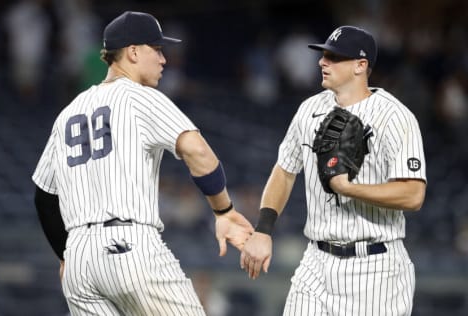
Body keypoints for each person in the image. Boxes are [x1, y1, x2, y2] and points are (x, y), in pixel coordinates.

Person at [32, 11, 253, 316]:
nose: (164, 59)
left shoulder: (67, 114)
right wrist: (224, 211)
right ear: (133, 52)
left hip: (79, 262)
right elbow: (198, 153)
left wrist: (66, 256)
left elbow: (44, 196)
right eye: (157, 49)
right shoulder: (140, 97)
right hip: (129, 245)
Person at [241, 25, 427, 316]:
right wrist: (263, 230)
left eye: (334, 57)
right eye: (324, 55)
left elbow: (414, 194)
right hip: (316, 262)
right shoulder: (309, 109)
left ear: (360, 66)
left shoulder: (396, 117)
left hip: (375, 268)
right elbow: (285, 171)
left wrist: (348, 188)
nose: (322, 62)